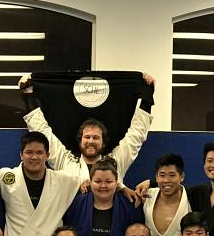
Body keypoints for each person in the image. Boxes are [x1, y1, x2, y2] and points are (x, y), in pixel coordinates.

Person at [19, 73, 155, 184]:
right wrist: (28, 93)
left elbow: (136, 135)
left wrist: (147, 96)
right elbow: (42, 132)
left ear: (103, 142)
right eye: (87, 137)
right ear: (80, 140)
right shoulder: (65, 163)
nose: (91, 141)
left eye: (96, 138)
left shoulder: (116, 162)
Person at [63, 158, 144, 236]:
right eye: (98, 181)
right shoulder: (76, 204)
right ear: (90, 182)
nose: (103, 186)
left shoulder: (130, 206)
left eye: (108, 181)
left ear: (117, 183)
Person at [142, 153, 191, 236]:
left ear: (182, 176)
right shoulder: (146, 196)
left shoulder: (192, 199)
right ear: (156, 177)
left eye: (172, 175)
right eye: (162, 175)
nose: (166, 180)